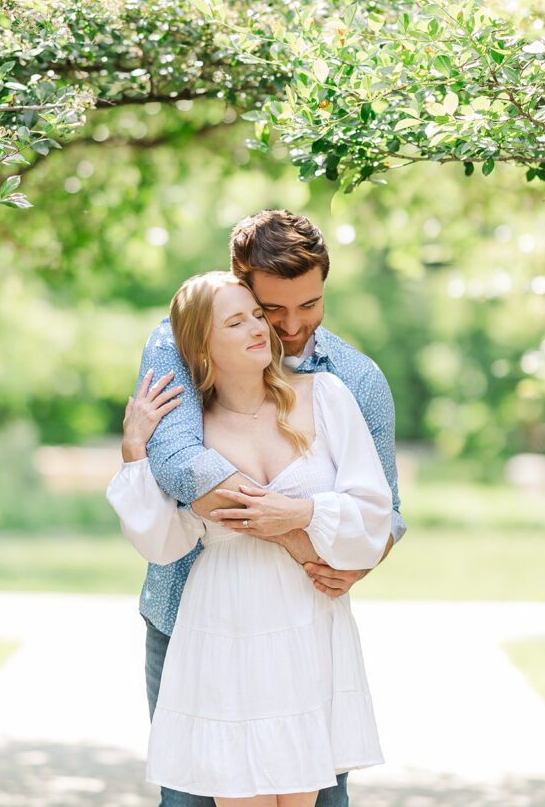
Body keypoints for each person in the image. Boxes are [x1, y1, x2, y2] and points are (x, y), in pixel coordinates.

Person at [128, 210, 405, 807]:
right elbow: (179, 463)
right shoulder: (179, 338)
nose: (293, 325)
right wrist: (299, 535)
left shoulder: (351, 379)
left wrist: (353, 559)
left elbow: (389, 510)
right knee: (190, 798)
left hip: (303, 627)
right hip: (191, 617)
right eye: (271, 309)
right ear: (241, 286)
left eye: (310, 304)